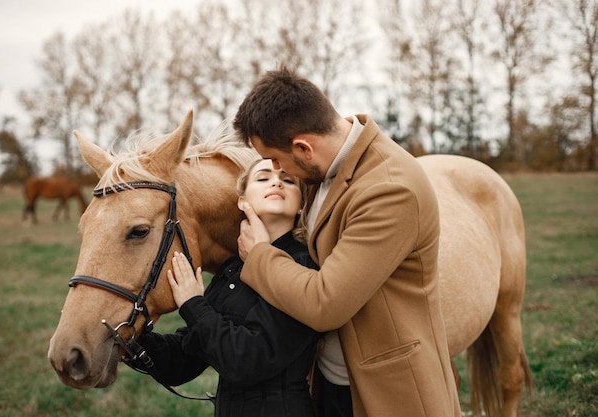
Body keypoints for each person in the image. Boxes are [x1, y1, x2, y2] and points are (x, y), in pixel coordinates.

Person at [233, 66, 461, 417]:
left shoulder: (389, 189)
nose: (278, 171)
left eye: (277, 160)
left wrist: (259, 255)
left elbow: (326, 303)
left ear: (304, 147)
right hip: (331, 379)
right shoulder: (323, 167)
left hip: (388, 391)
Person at [137, 158, 320, 417]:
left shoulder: (304, 265)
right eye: (263, 177)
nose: (277, 181)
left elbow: (249, 359)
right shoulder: (233, 267)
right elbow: (184, 360)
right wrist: (134, 336)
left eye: (288, 180)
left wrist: (192, 304)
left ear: (301, 205)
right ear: (242, 201)